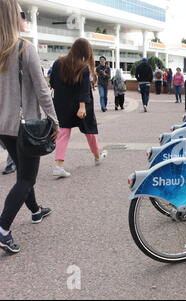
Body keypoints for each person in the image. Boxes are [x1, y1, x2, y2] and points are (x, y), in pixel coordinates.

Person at [0, 0, 60, 253]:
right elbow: (42, 89)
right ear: (14, 18)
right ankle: (2, 229)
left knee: (24, 172)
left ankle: (35, 210)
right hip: (25, 126)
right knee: (26, 177)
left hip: (3, 127)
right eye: (22, 14)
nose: (25, 18)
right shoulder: (25, 48)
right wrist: (54, 120)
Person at [50, 38, 108, 179]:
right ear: (85, 51)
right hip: (80, 105)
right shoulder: (83, 67)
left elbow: (52, 82)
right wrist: (82, 106)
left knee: (63, 133)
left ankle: (59, 165)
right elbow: (84, 89)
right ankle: (97, 156)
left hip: (61, 103)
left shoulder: (58, 62)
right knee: (89, 132)